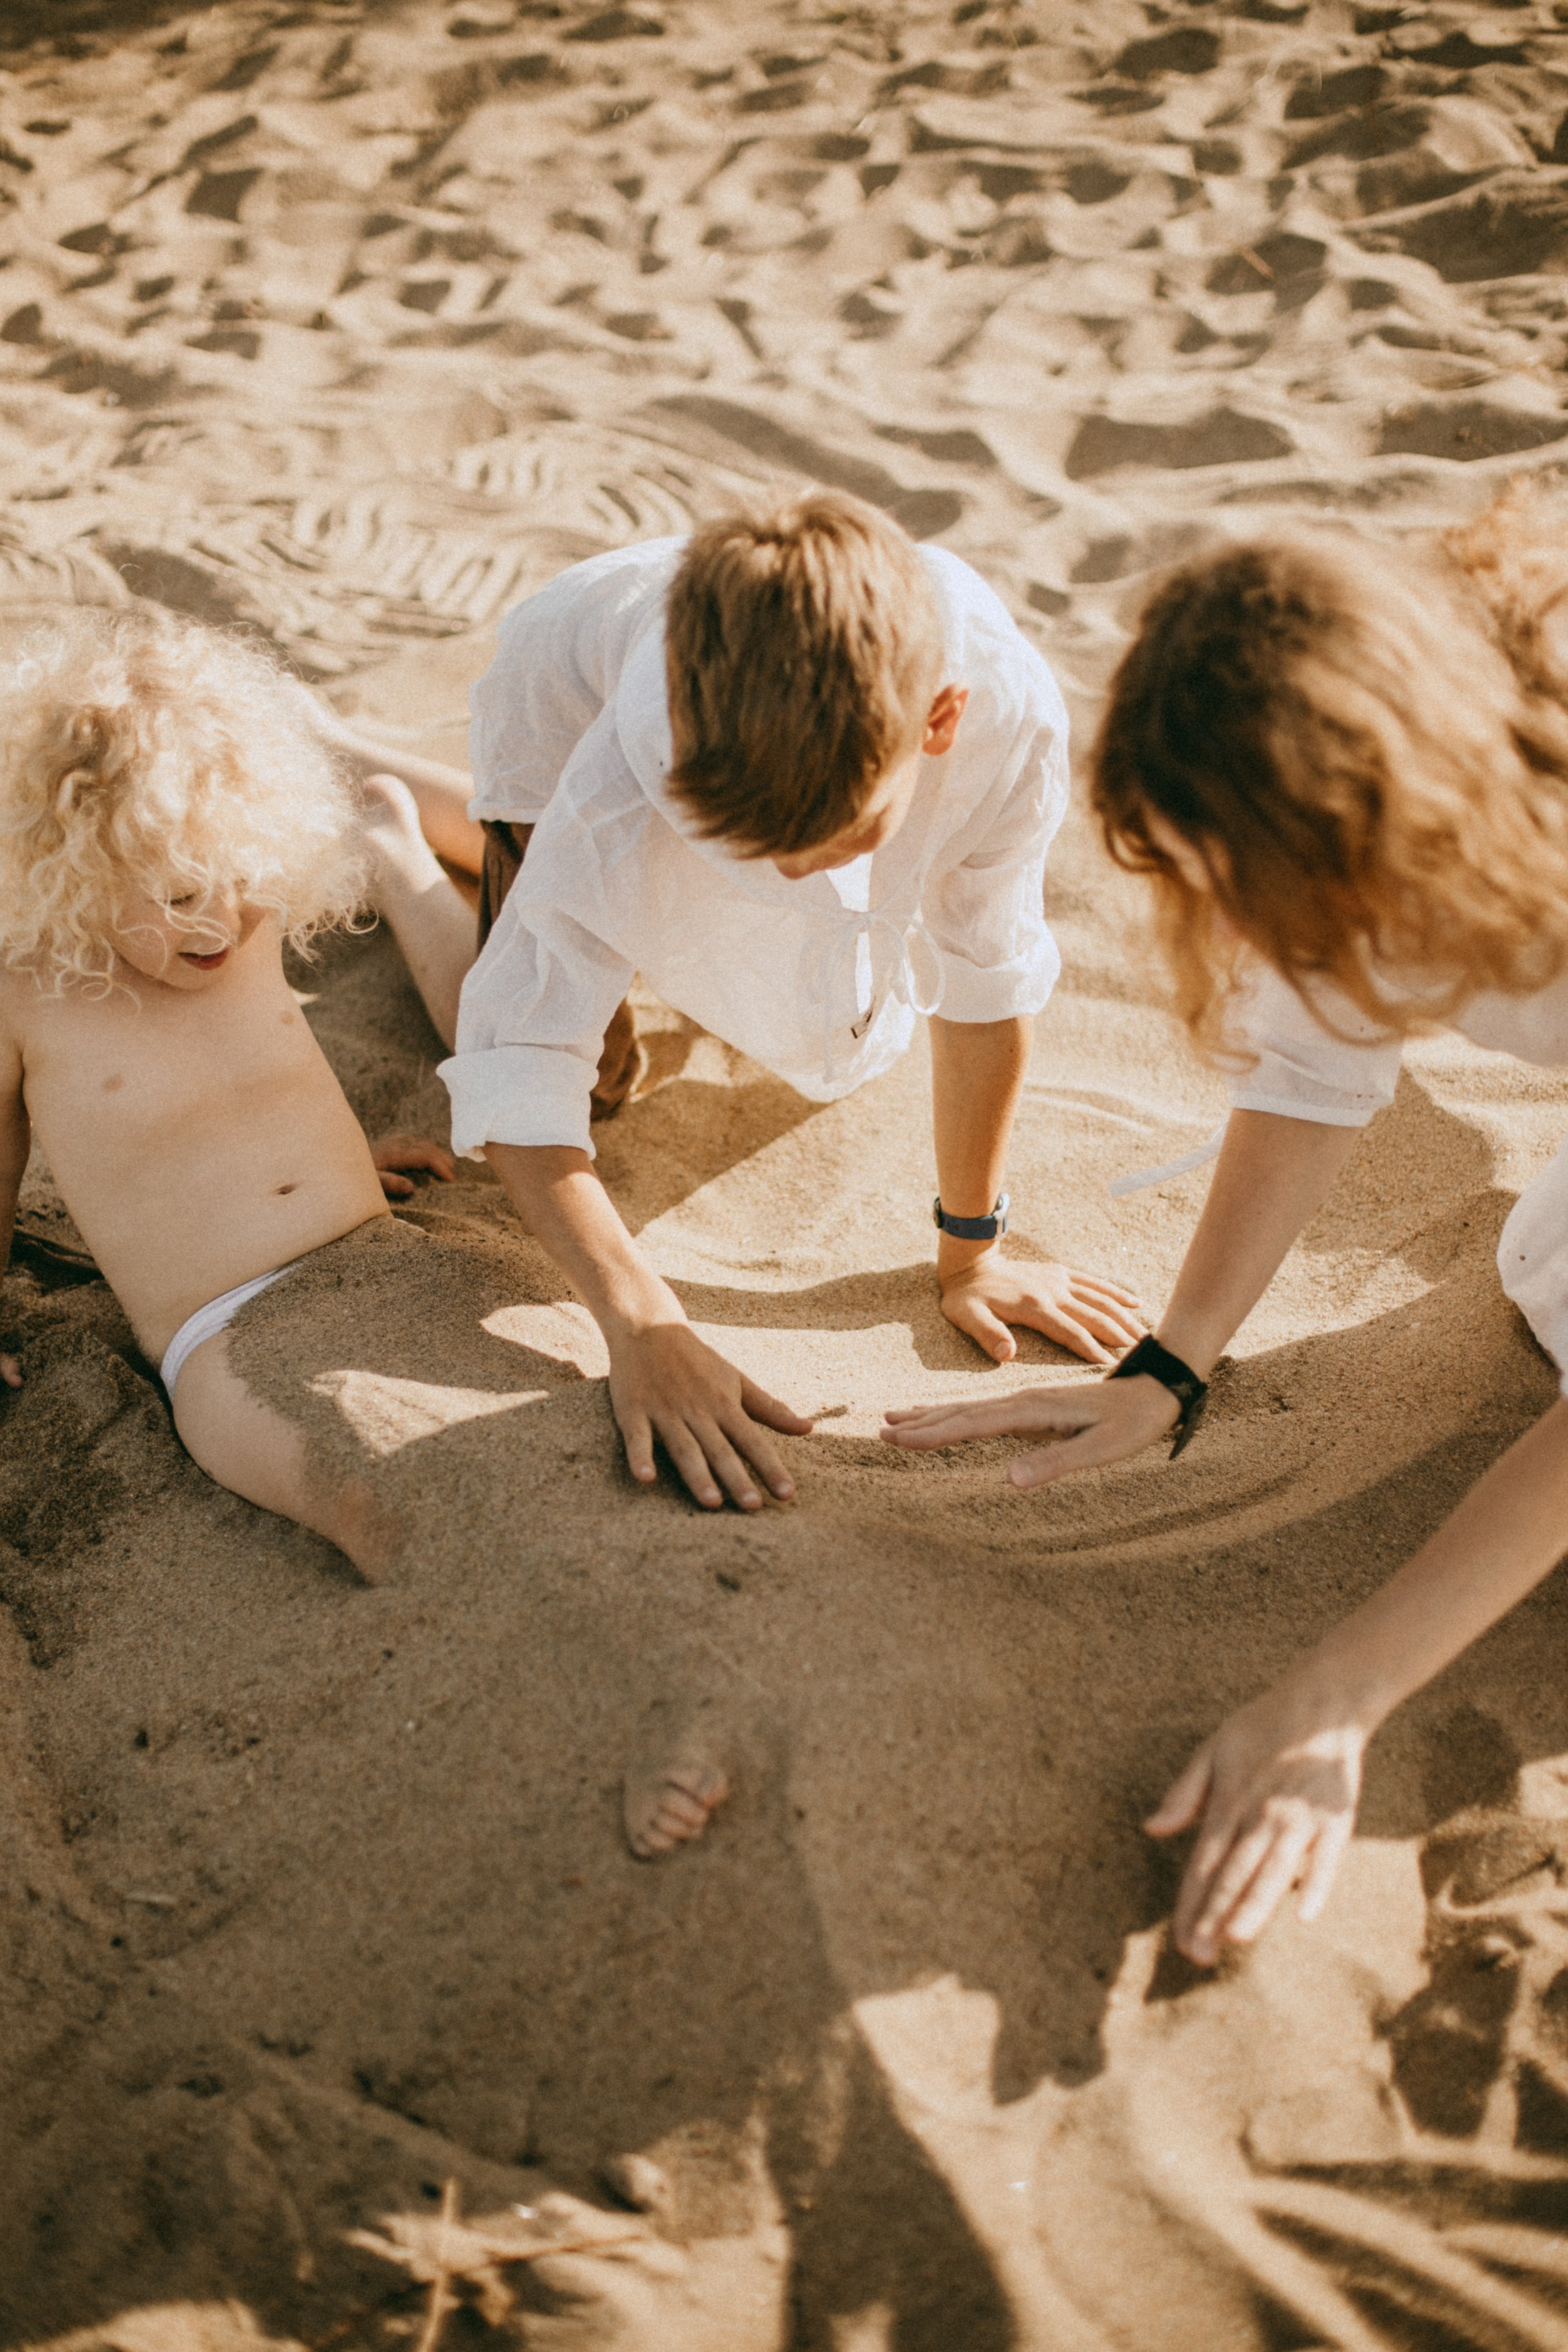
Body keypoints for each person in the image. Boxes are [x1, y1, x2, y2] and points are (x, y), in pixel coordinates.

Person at [880, 487, 1568, 1966]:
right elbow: (1312, 1068)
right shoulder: (1373, 759)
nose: (1243, 940)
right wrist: (1169, 1365)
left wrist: (1336, 1699)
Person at [440, 490, 1145, 1515]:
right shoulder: (632, 766)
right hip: (565, 698)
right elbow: (517, 1062)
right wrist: (644, 1326)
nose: (791, 875)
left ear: (940, 720)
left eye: (845, 836)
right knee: (590, 1079)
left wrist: (971, 1257)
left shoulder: (1011, 719)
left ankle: (423, 805)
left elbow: (985, 983)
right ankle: (403, 827)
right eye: (748, 846)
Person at [0, 604, 478, 1569]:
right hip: (222, 1333)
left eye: (243, 874)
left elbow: (256, 1069)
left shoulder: (237, 920)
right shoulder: (29, 990)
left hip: (375, 1256)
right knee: (375, 1504)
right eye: (179, 896)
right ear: (77, 871)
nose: (221, 918)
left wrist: (340, 1150)